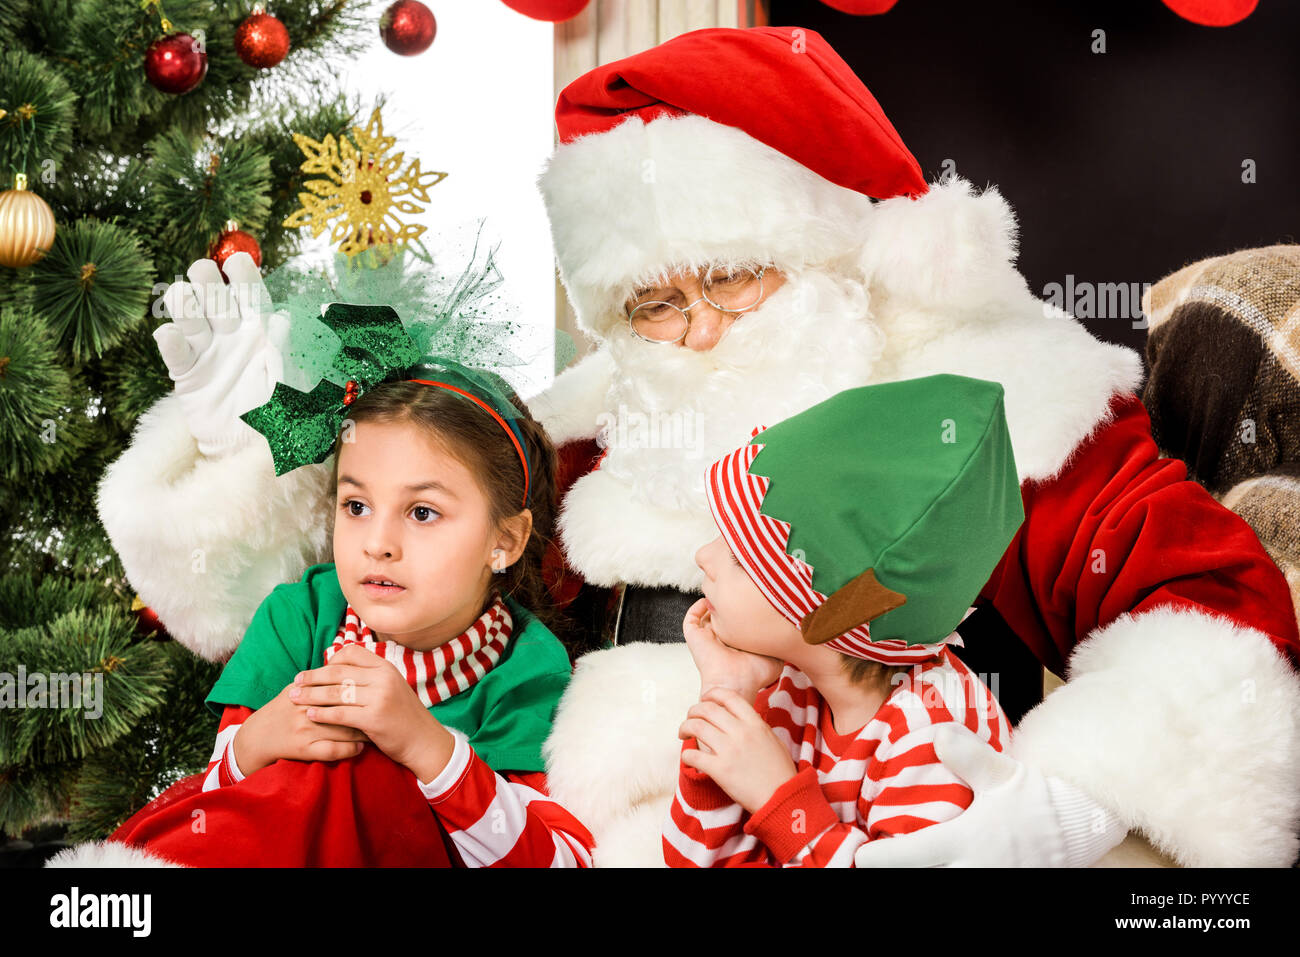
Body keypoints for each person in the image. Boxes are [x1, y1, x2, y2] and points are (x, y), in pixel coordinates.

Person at [99, 26, 1300, 867]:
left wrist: (1041, 822)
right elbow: (393, 576)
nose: (702, 332)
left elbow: (1205, 610)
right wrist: (245, 450)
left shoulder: (982, 406)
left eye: (732, 276)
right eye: (655, 304)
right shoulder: (595, 427)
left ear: (832, 248)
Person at [54, 307, 594, 867]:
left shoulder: (524, 669)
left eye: (424, 512)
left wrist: (425, 747)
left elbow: (551, 859)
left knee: (366, 776)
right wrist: (259, 740)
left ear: (503, 541)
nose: (377, 543)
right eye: (356, 505)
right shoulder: (300, 616)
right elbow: (217, 803)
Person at [663, 375, 1021, 866]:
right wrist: (726, 693)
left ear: (833, 614)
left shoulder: (933, 734)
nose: (703, 556)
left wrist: (778, 799)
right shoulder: (790, 687)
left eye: (743, 559)